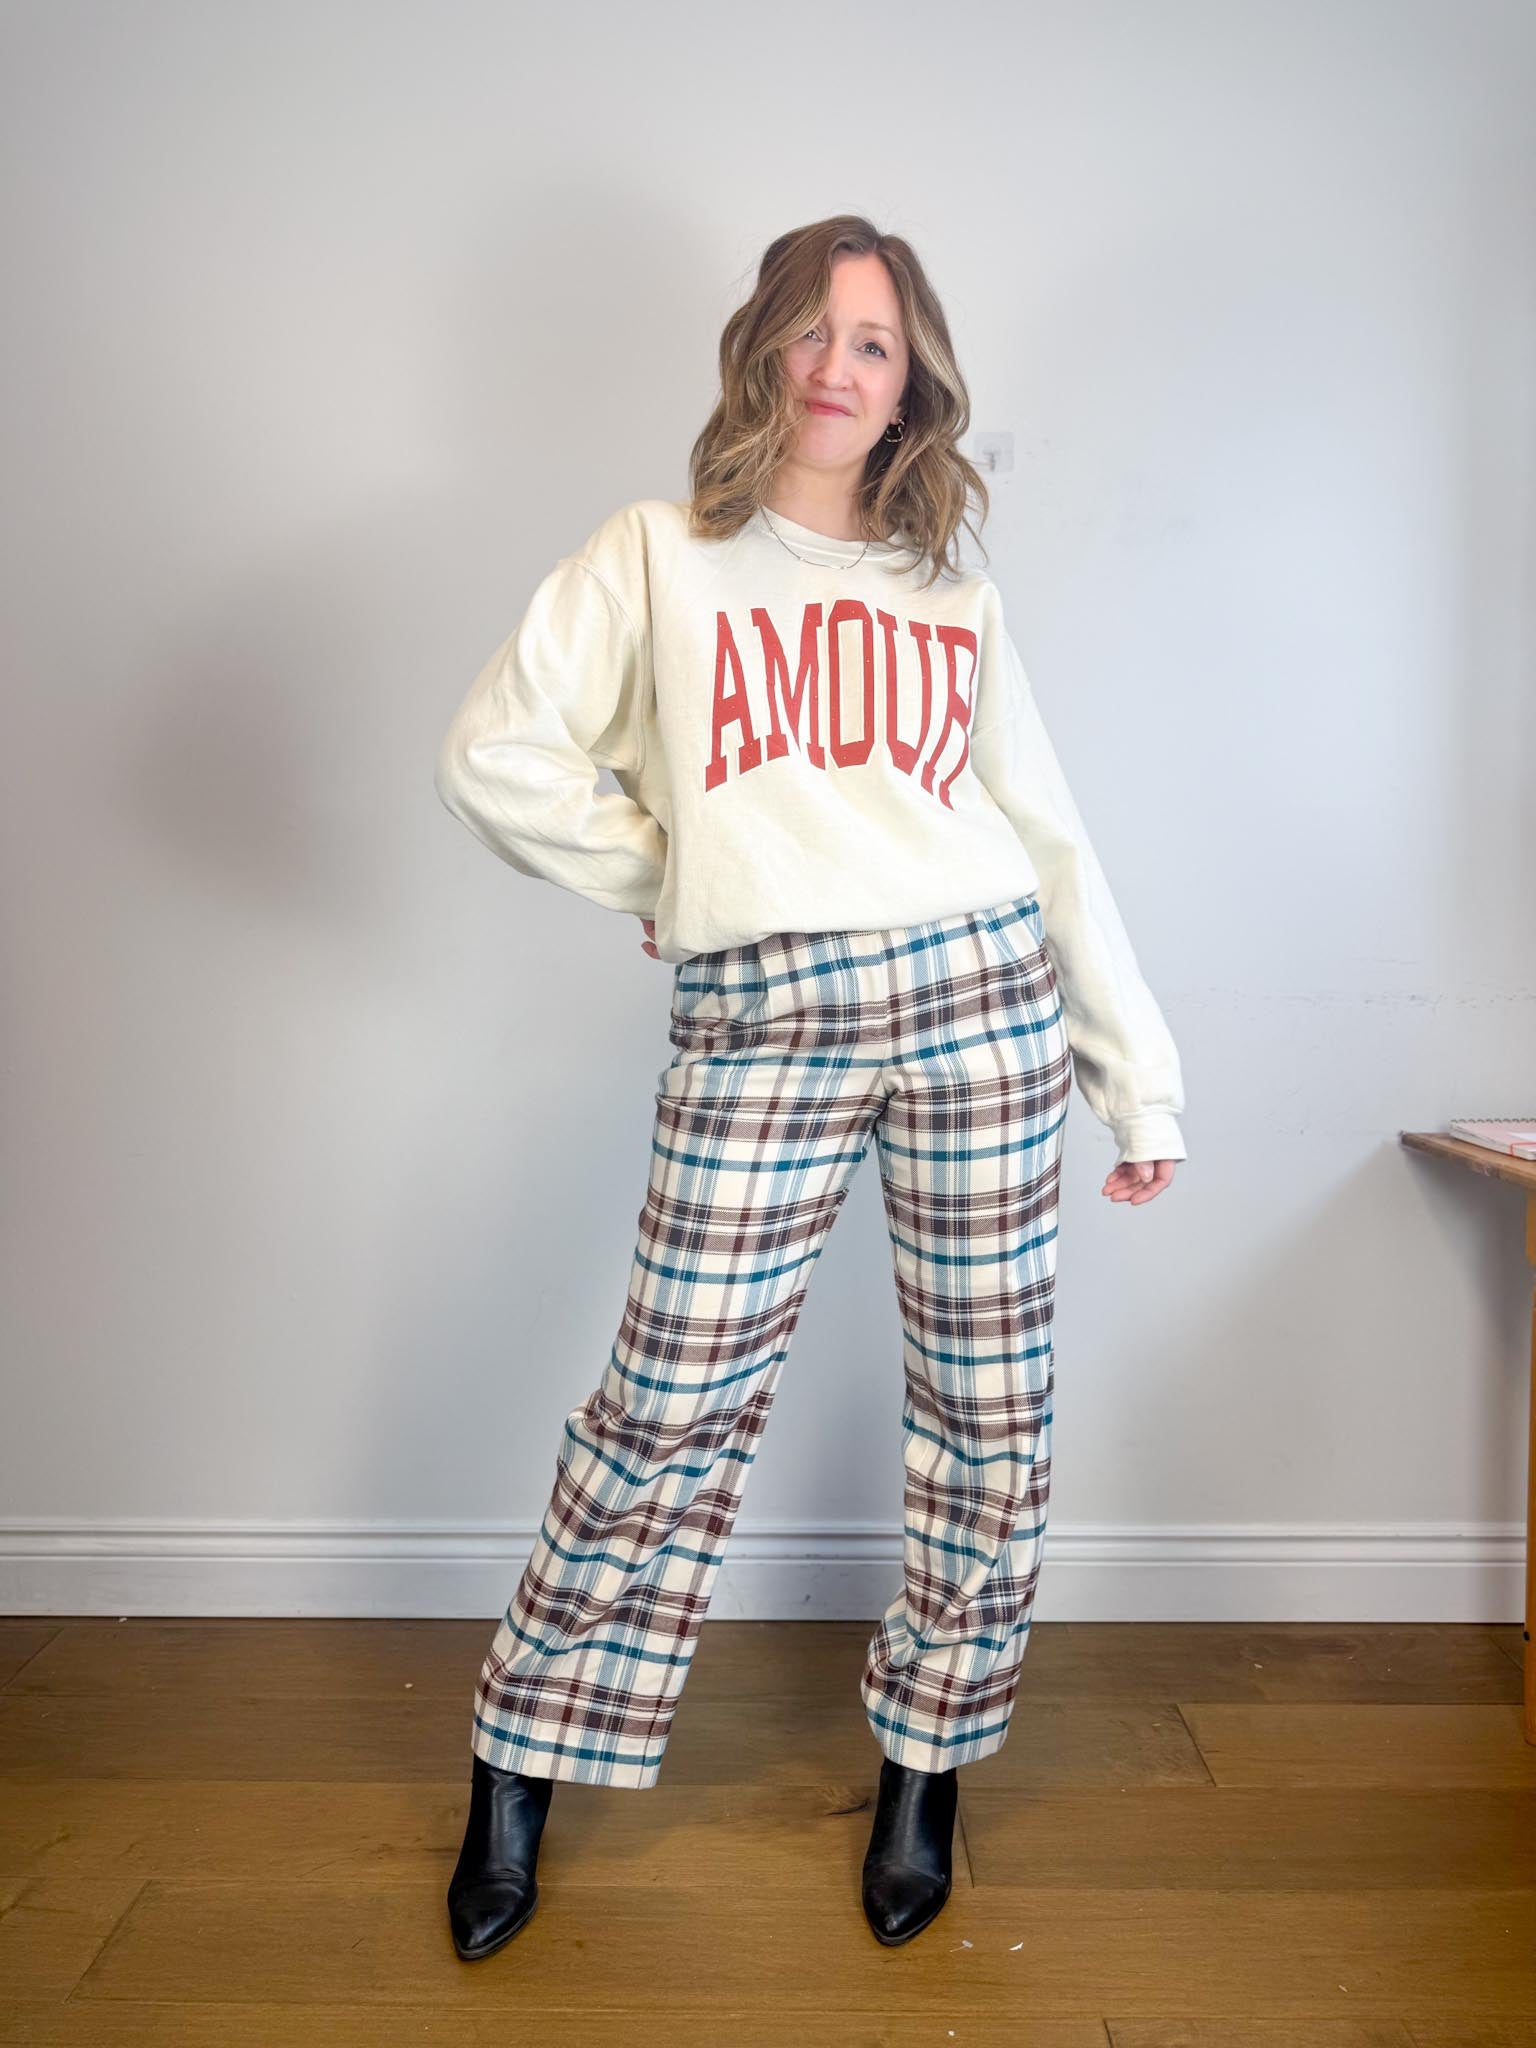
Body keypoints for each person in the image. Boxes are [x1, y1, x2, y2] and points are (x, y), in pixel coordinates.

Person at [434, 215, 1186, 1961]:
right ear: (761, 347)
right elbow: (492, 758)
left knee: (991, 1414)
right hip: (766, 1011)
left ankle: (927, 1768)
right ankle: (519, 1757)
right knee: (665, 1401)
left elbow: (1050, 841)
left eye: (874, 343)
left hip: (978, 1001)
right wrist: (676, 872)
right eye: (812, 331)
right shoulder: (658, 554)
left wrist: (1134, 1080)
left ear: (909, 382)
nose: (838, 368)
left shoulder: (952, 599)